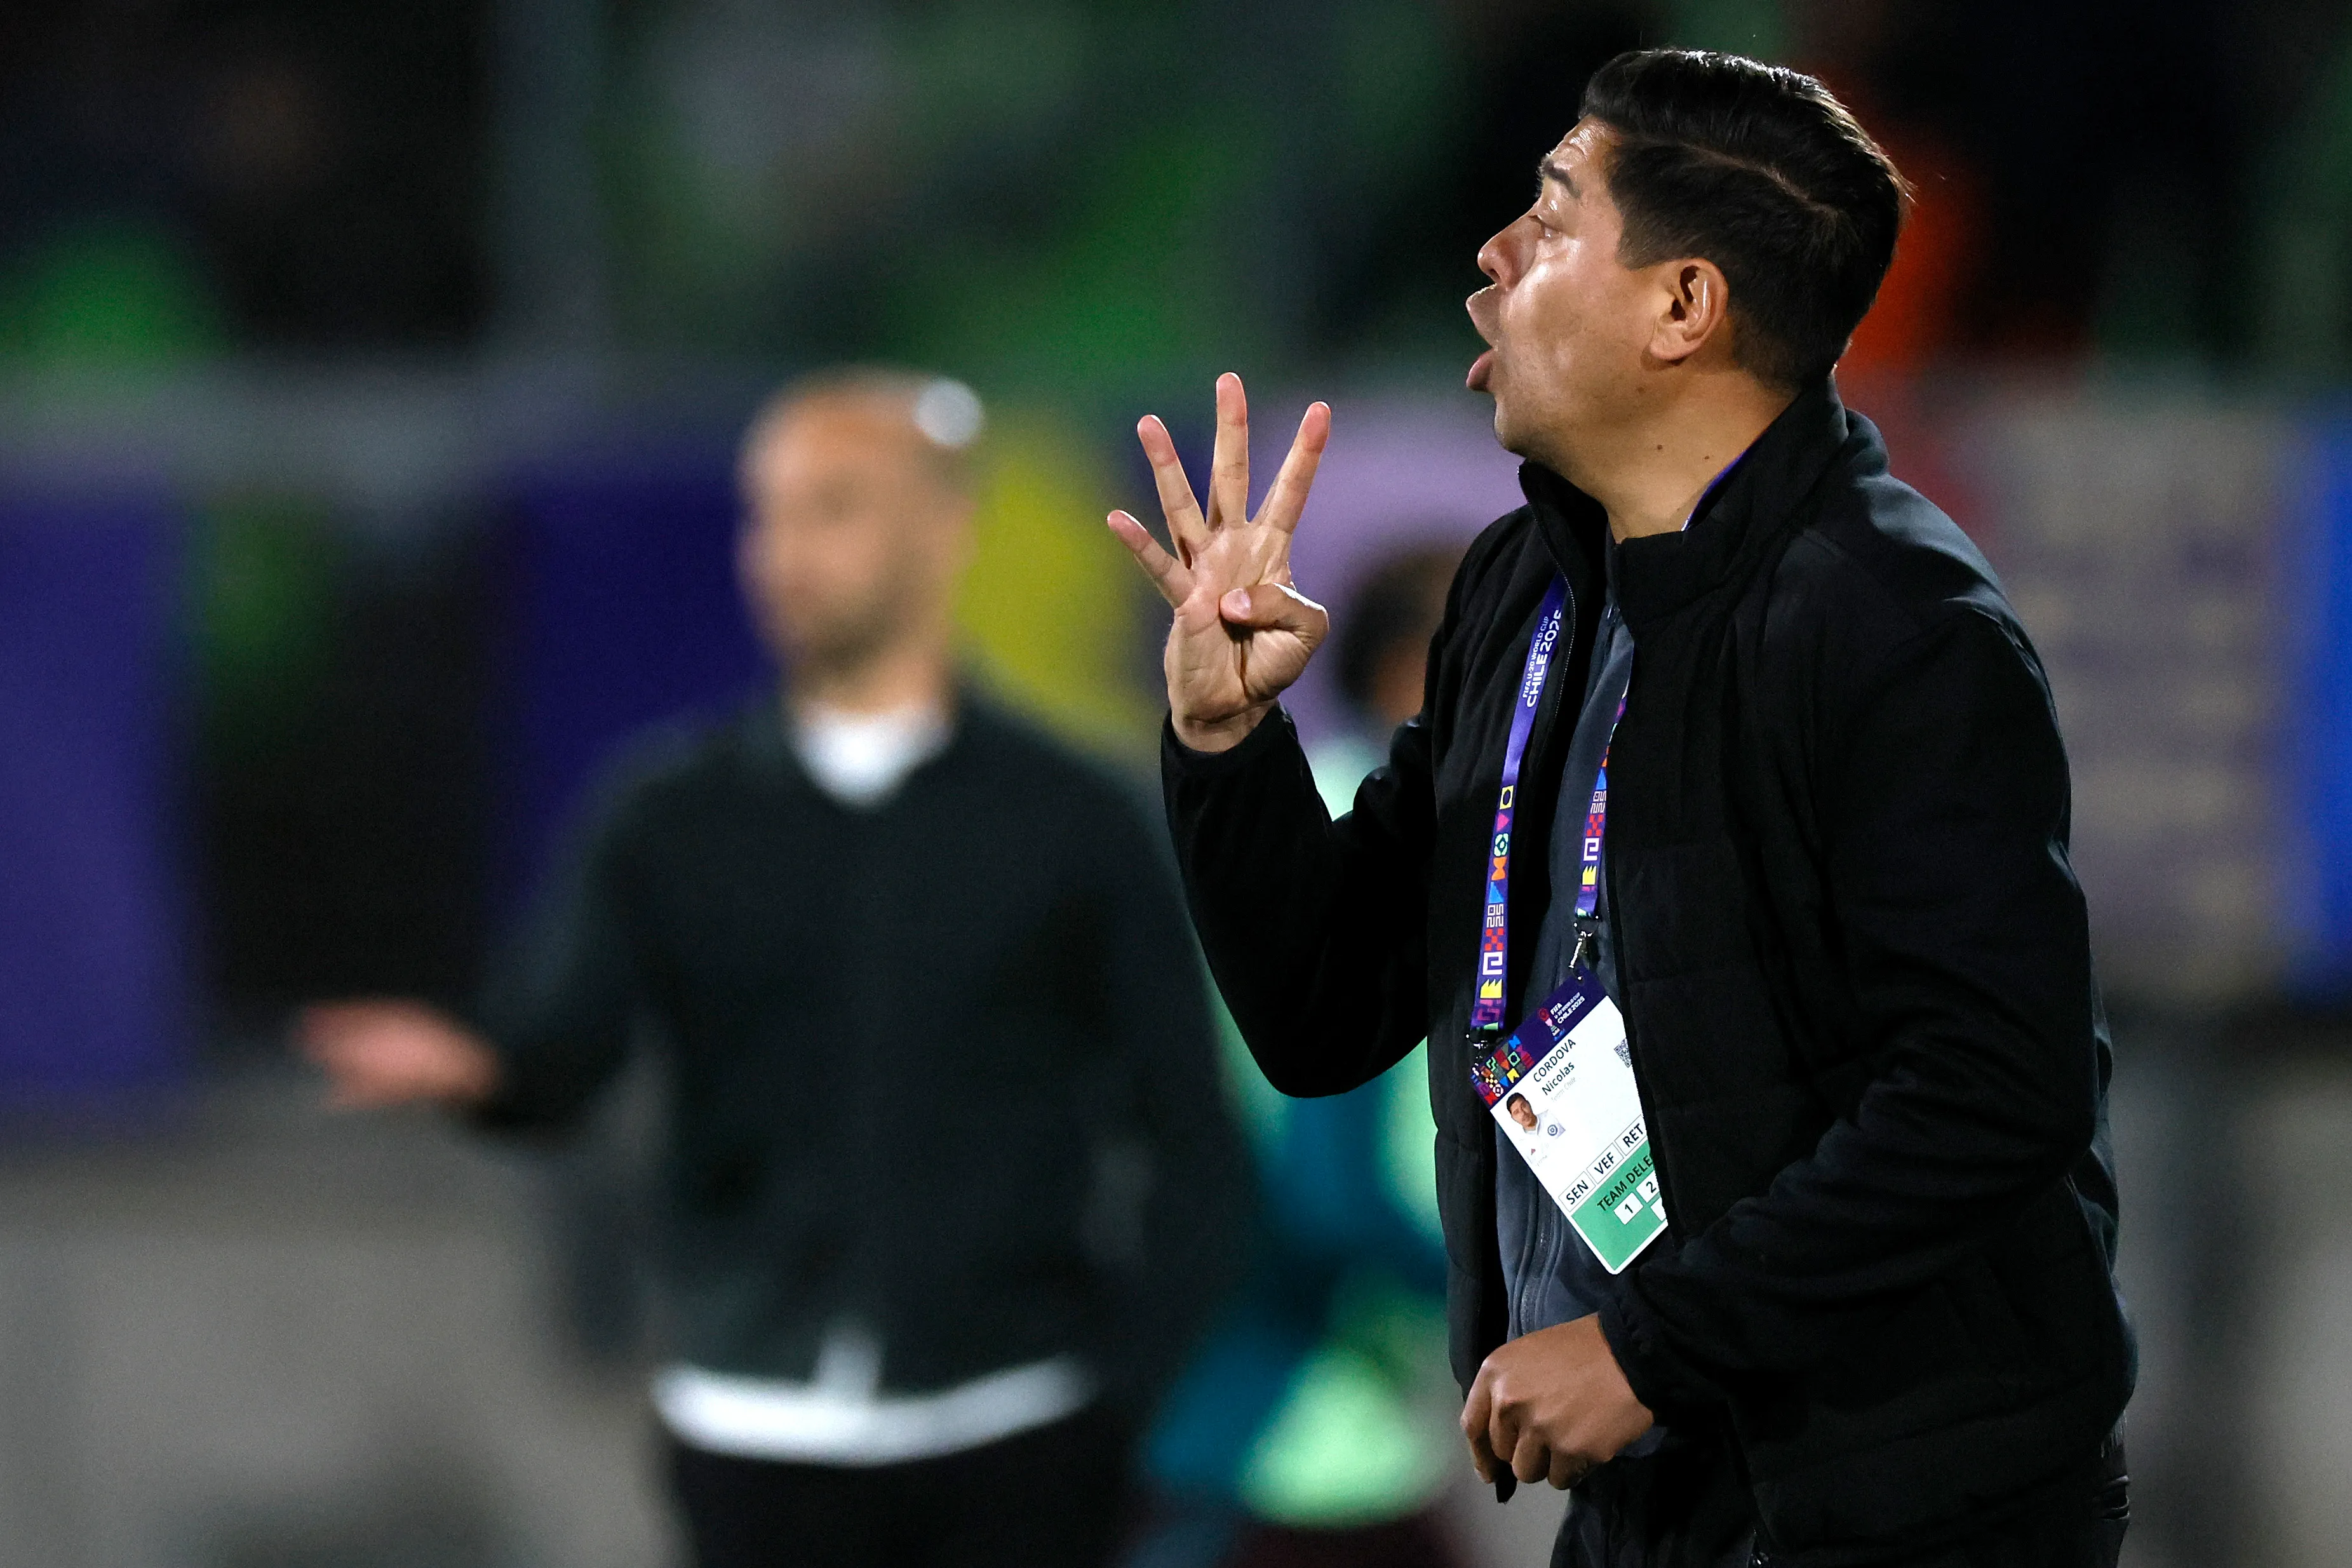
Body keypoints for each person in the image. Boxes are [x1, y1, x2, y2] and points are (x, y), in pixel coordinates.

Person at [1107, 48, 2131, 1568]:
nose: (1493, 251)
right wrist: (1225, 742)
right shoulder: (1519, 597)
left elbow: (1992, 1087)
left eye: (1554, 215)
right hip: (1654, 1499)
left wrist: (1652, 1344)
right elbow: (1323, 1008)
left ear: (1683, 307)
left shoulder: (1896, 624)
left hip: (1909, 1507)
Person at [304, 367, 1247, 1568]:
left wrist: (1121, 1398)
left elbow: (1194, 1146)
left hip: (1015, 1429)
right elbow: (561, 1050)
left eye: (835, 507)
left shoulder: (1069, 821)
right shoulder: (667, 816)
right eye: (770, 512)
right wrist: (479, 1069)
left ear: (945, 525)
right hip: (750, 1435)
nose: (786, 550)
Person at [1132, 546, 1466, 1568]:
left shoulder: (1288, 809)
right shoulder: (1379, 834)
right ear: (1413, 668)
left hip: (1213, 1382)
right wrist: (1522, 1312)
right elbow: (1331, 1188)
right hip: (1296, 1421)